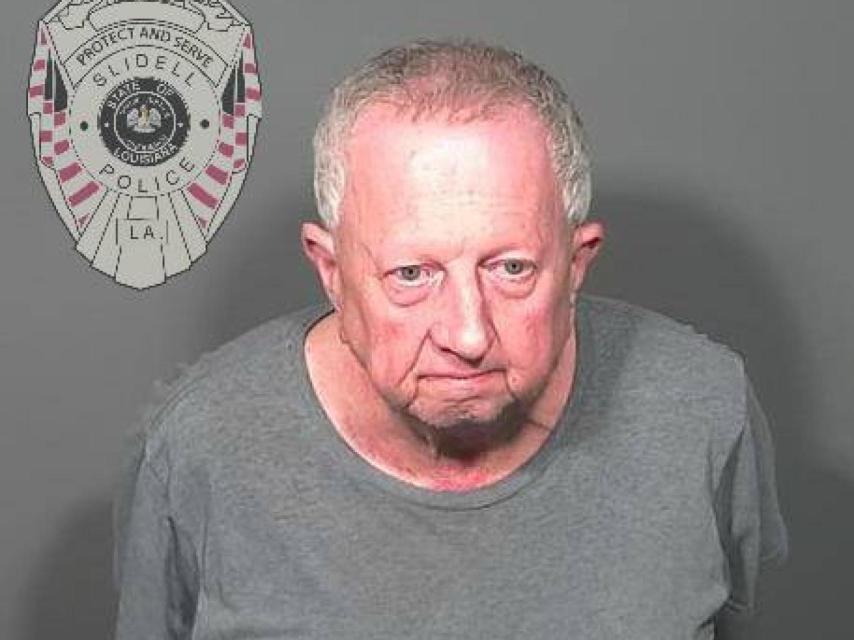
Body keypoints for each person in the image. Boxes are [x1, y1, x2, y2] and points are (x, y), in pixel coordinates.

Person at [113, 39, 788, 639]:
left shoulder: (699, 409)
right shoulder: (202, 445)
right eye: (412, 274)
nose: (467, 334)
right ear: (332, 272)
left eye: (511, 269)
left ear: (576, 264)